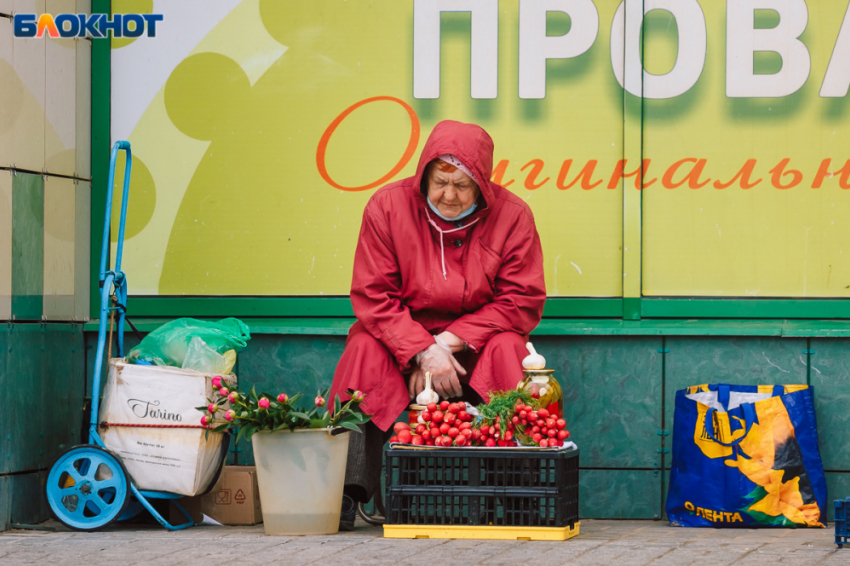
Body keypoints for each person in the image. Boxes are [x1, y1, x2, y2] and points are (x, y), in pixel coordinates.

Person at [329, 119, 546, 529]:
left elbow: (522, 300)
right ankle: (344, 491)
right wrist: (421, 352)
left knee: (509, 350)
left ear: (482, 184)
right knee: (361, 351)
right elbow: (373, 296)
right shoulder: (387, 207)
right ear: (424, 176)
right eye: (439, 182)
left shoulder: (513, 215)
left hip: (475, 349)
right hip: (401, 346)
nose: (449, 195)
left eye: (462, 185)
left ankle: (521, 496)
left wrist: (449, 341)